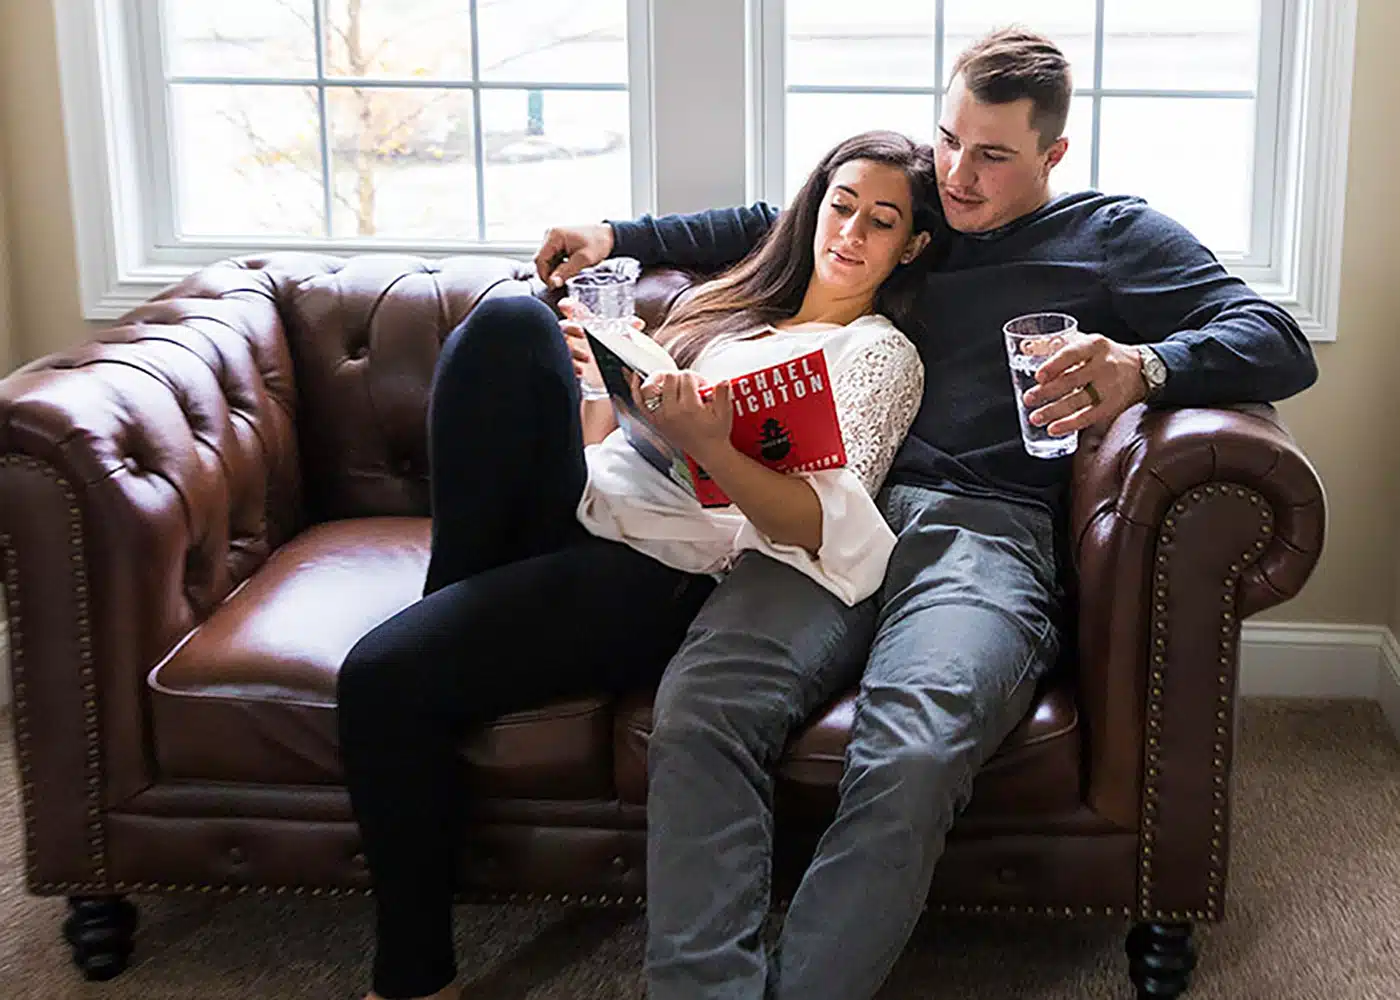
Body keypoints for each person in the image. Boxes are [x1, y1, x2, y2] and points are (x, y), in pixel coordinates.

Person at [533, 26, 1319, 1000]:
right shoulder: (919, 212)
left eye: (992, 155)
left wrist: (1141, 366)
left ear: (1051, 155)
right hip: (833, 511)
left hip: (980, 532)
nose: (958, 173)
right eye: (947, 140)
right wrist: (621, 236)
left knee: (908, 752)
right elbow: (775, 221)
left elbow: (1275, 340)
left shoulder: (1112, 236)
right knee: (699, 713)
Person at [337, 129, 943, 1000]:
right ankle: (459, 612)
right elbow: (614, 447)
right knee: (512, 324)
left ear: (912, 245)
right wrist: (603, 388)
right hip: (592, 503)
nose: (849, 231)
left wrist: (705, 441)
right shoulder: (733, 302)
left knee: (379, 678)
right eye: (841, 205)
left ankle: (414, 981)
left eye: (881, 222)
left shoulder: (879, 354)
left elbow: (814, 520)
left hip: (664, 567)